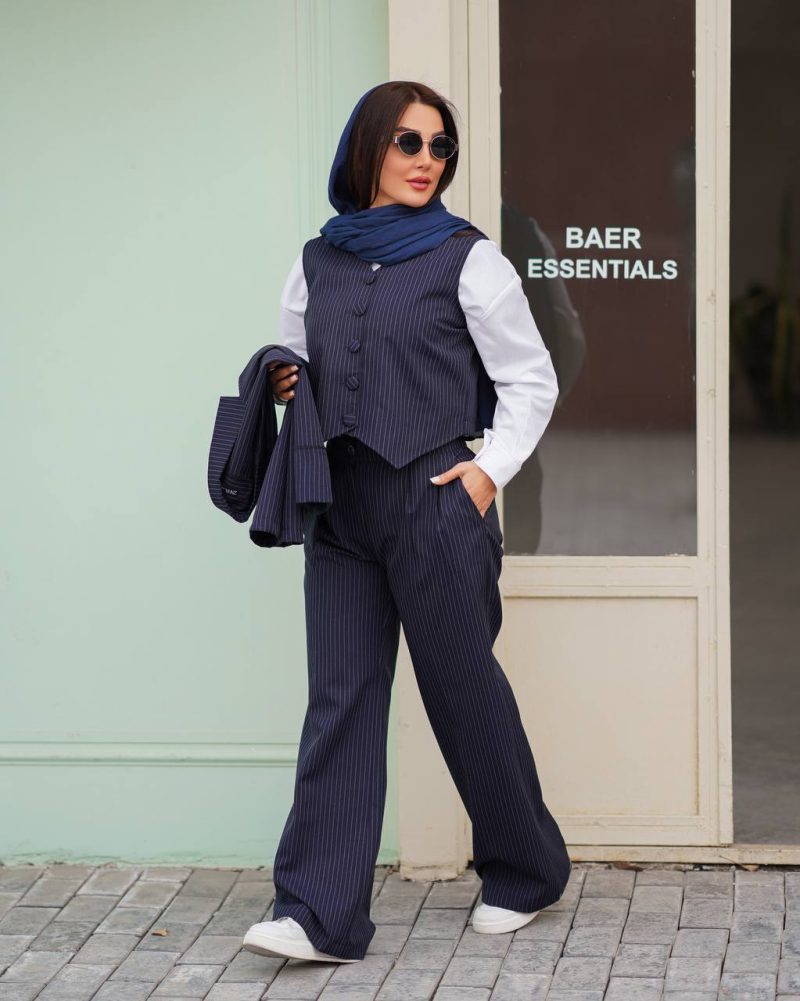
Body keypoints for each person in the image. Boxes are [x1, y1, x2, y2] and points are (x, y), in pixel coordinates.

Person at [242, 80, 571, 965]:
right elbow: (300, 356)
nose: (428, 160)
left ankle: (526, 870)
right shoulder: (316, 260)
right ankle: (317, 912)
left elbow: (532, 378)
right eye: (409, 142)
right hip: (338, 508)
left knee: (462, 690)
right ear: (368, 148)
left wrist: (486, 475)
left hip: (436, 502)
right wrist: (287, 378)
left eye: (440, 146)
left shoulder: (470, 259)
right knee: (340, 700)